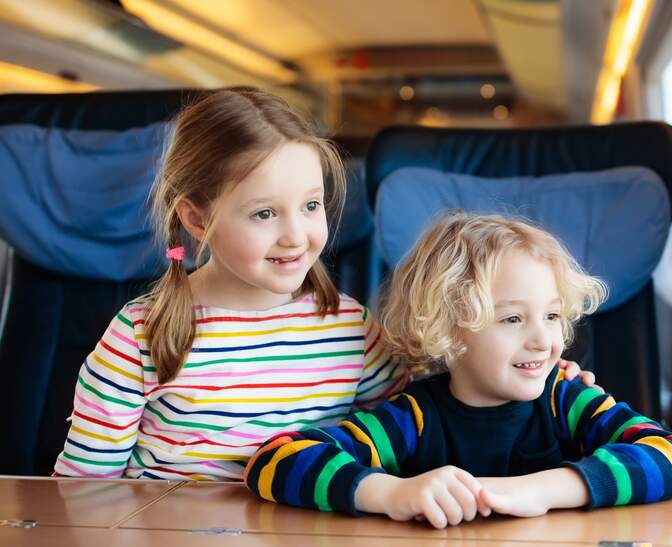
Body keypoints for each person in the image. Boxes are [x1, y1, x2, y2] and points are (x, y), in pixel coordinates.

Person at [53, 89, 593, 481]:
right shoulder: (139, 336)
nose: (297, 235)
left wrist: (545, 381)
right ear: (195, 220)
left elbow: (425, 421)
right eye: (264, 213)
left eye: (311, 206)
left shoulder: (350, 327)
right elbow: (83, 495)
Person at [243, 213, 672, 528]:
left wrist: (545, 489)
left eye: (553, 316)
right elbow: (274, 461)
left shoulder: (567, 399)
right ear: (450, 333)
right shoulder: (412, 420)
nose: (544, 340)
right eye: (513, 319)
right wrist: (391, 495)